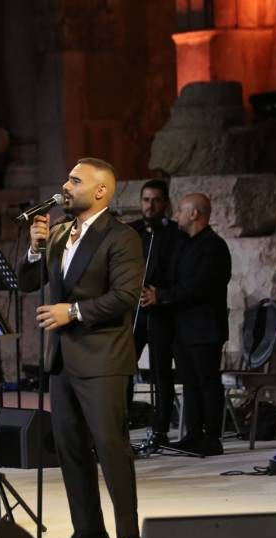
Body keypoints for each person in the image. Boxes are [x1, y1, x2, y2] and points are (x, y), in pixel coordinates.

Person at [17, 157, 144, 538]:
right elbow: (26, 282)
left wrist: (70, 312)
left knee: (110, 447)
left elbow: (125, 296)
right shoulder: (58, 233)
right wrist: (34, 249)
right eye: (67, 179)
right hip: (62, 361)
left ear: (101, 191)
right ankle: (88, 531)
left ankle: (129, 536)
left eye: (75, 181)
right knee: (70, 449)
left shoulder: (121, 237)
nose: (65, 187)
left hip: (102, 358)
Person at [141, 193, 231, 456]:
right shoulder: (184, 244)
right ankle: (193, 434)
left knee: (207, 382)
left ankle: (212, 437)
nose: (175, 215)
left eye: (180, 210)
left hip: (204, 328)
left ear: (194, 214)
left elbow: (200, 286)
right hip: (182, 327)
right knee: (190, 383)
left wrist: (162, 296)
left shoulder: (214, 247)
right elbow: (174, 279)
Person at [126, 179, 180, 445]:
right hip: (134, 310)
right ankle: (121, 423)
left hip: (160, 310)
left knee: (161, 372)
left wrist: (159, 293)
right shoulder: (132, 231)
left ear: (165, 203)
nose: (150, 205)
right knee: (125, 368)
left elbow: (178, 271)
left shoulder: (174, 233)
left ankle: (160, 429)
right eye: (146, 200)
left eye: (156, 200)